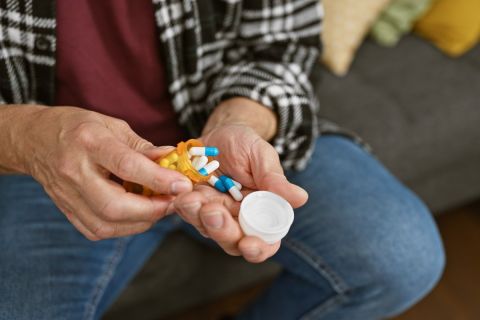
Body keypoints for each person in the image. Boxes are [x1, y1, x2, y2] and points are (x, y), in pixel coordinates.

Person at [0, 1, 445, 319]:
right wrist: (25, 138)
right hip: (49, 162)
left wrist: (241, 122)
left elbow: (284, 46)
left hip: (219, 141)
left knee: (404, 258)